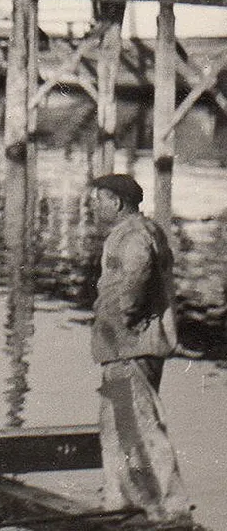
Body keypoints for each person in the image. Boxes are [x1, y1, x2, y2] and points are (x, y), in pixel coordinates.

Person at [87, 172, 190, 521]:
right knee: (119, 425)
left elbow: (136, 280)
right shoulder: (149, 230)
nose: (94, 206)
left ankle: (170, 508)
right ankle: (126, 499)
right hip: (127, 347)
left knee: (141, 424)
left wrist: (123, 318)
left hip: (129, 346)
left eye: (98, 199)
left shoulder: (131, 237)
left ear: (115, 203)